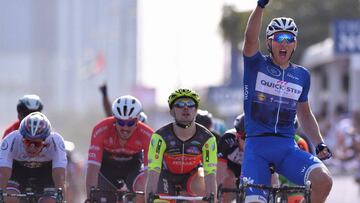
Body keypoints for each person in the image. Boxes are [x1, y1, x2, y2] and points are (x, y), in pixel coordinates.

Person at [241, 0, 333, 202]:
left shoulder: (302, 75)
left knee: (323, 180)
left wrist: (319, 143)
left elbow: (305, 114)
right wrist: (260, 6)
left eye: (289, 38)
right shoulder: (255, 65)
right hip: (257, 147)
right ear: (269, 42)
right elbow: (249, 39)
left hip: (286, 146)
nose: (284, 43)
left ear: (295, 44)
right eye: (279, 38)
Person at [145, 88, 217, 202]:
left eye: (190, 104)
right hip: (166, 175)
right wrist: (149, 199)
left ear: (196, 110)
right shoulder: (160, 137)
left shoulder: (207, 138)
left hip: (192, 176)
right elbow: (153, 173)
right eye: (179, 104)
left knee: (204, 191)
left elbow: (210, 174)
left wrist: (212, 199)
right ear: (172, 111)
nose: (186, 108)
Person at [86, 95, 154, 202]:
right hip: (107, 167)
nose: (125, 128)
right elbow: (92, 169)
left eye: (130, 123)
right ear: (114, 120)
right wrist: (90, 198)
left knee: (141, 190)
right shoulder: (101, 129)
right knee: (99, 197)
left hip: (133, 166)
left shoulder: (148, 135)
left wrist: (150, 197)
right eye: (121, 122)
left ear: (137, 121)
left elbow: (149, 173)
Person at [0, 112, 67, 203]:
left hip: (46, 173)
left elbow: (59, 177)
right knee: (10, 197)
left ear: (45, 141)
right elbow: (3, 175)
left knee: (49, 201)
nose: (32, 147)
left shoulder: (56, 142)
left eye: (37, 143)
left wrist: (62, 199)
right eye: (27, 142)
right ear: (22, 138)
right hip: (18, 170)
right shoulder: (10, 140)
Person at [217, 114, 245, 202]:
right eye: (245, 137)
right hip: (230, 166)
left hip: (248, 165)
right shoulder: (227, 140)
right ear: (237, 135)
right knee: (228, 181)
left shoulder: (260, 143)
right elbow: (220, 170)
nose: (248, 142)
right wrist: (215, 193)